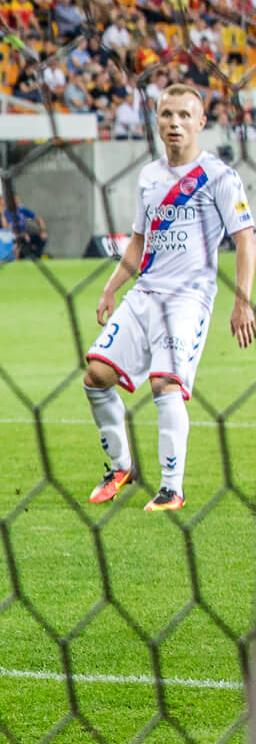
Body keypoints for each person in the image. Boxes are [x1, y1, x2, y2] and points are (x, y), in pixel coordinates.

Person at [83, 84, 254, 511]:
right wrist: (111, 287)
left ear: (200, 123)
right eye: (166, 115)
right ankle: (121, 467)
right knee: (96, 375)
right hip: (144, 294)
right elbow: (139, 241)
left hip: (187, 300)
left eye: (184, 115)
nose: (174, 123)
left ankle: (172, 487)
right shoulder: (149, 176)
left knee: (165, 383)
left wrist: (242, 301)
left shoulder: (219, 175)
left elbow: (245, 239)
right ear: (156, 121)